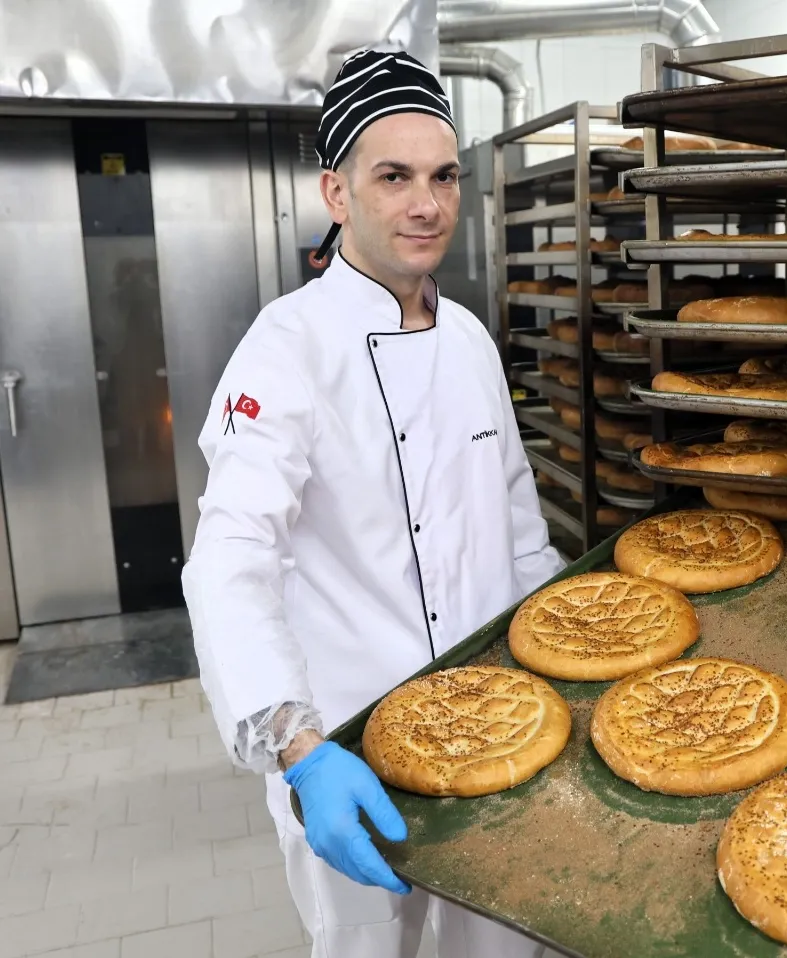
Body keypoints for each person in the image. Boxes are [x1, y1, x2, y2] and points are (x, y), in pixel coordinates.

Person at [183, 47, 567, 958]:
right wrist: (299, 748)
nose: (426, 204)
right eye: (394, 177)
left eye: (443, 177)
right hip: (345, 744)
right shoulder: (284, 348)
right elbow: (231, 561)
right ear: (337, 192)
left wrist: (563, 667)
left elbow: (519, 529)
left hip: (494, 730)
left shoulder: (469, 338)